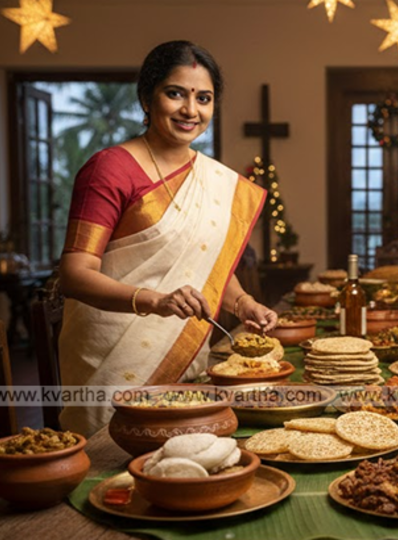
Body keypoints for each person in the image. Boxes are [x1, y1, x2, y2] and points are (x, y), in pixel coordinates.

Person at [57, 41, 277, 436]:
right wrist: (155, 301)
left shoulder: (213, 178)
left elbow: (208, 265)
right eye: (175, 93)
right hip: (114, 356)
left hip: (183, 354)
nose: (190, 110)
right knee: (112, 464)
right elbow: (74, 274)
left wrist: (243, 302)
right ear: (147, 97)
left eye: (203, 98)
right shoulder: (109, 169)